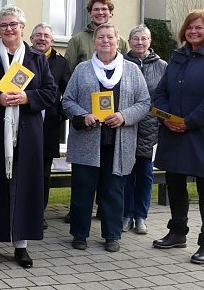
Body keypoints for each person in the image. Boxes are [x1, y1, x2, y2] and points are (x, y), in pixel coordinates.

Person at [0, 5, 57, 268]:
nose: (9, 29)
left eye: (13, 24)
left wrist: (28, 97)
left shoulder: (37, 58)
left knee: (25, 188)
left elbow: (51, 92)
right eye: (4, 25)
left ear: (22, 27)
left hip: (27, 135)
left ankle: (21, 246)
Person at [62, 23, 150, 253]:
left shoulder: (131, 70)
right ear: (94, 42)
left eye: (110, 37)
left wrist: (124, 115)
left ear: (118, 41)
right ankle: (79, 234)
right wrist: (83, 115)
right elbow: (67, 100)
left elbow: (144, 103)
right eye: (101, 37)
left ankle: (112, 235)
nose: (105, 41)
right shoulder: (82, 69)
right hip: (87, 142)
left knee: (113, 191)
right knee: (82, 190)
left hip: (119, 143)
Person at [152, 9, 204, 265]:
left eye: (199, 28)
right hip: (175, 131)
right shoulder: (177, 57)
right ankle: (177, 232)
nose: (194, 32)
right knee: (175, 181)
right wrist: (167, 118)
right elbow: (161, 91)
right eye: (190, 28)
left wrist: (189, 121)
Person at [122, 25, 167, 235]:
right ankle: (126, 214)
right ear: (129, 41)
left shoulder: (162, 66)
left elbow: (166, 96)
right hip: (126, 125)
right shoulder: (120, 63)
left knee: (146, 174)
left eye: (144, 39)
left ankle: (141, 216)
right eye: (136, 39)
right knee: (126, 173)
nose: (140, 42)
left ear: (150, 42)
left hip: (151, 128)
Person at [29, 23, 71, 229]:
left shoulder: (61, 63)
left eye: (46, 36)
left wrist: (60, 113)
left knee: (44, 172)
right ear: (31, 39)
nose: (42, 39)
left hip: (49, 126)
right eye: (38, 35)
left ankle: (38, 213)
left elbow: (70, 91)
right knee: (24, 169)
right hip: (25, 124)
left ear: (52, 41)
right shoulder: (22, 59)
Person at [65, 0, 129, 70]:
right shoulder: (77, 40)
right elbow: (68, 72)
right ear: (90, 14)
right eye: (96, 9)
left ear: (111, 13)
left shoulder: (121, 42)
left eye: (104, 9)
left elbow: (125, 70)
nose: (100, 12)